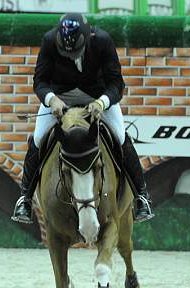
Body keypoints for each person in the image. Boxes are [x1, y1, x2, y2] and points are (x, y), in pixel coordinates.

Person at [11, 12, 154, 224]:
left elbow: (116, 84)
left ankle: (142, 197)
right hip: (60, 96)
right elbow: (39, 81)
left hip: (97, 96)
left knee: (121, 136)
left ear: (88, 37)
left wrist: (102, 103)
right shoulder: (50, 40)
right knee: (39, 138)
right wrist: (51, 100)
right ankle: (25, 198)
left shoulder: (103, 41)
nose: (70, 55)